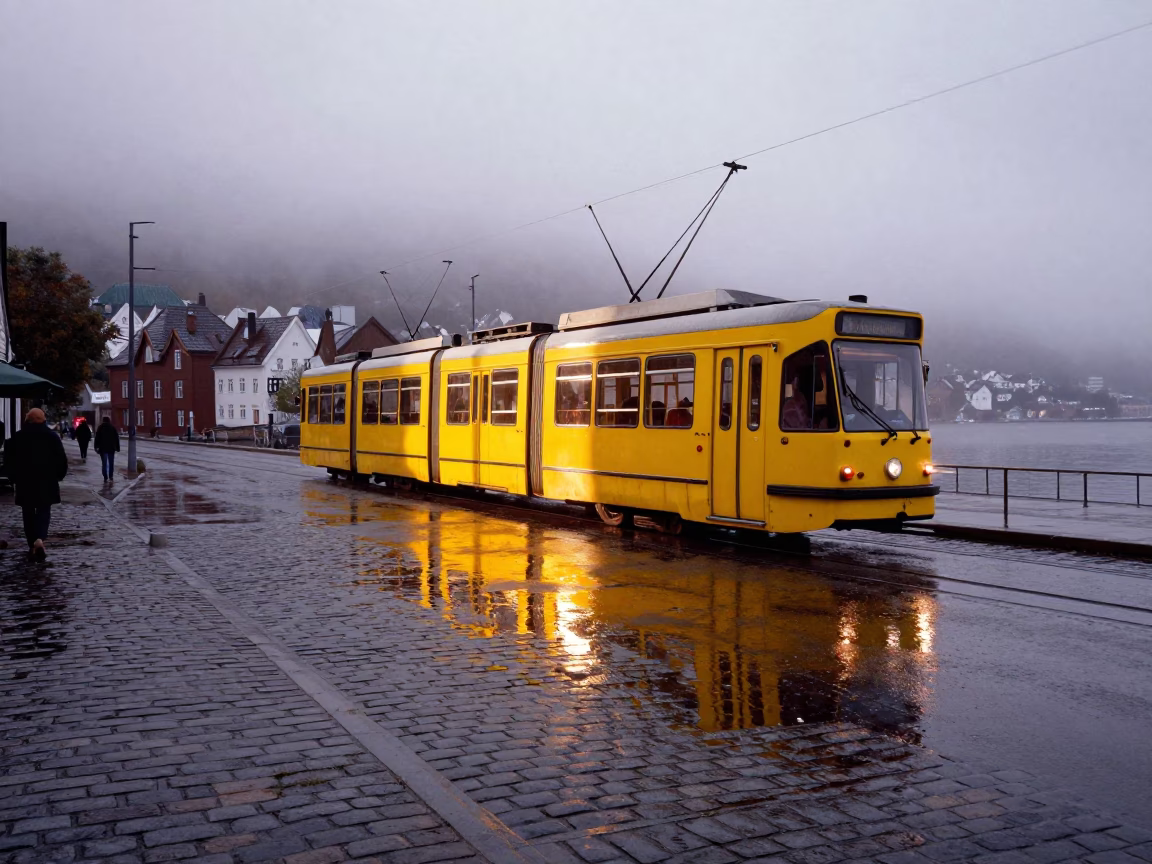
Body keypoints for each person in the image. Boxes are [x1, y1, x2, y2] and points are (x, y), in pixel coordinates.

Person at [7, 408, 68, 562]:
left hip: (24, 481)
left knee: (27, 511)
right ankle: (39, 538)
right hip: (46, 480)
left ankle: (31, 541)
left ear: (28, 419)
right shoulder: (52, 437)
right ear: (43, 419)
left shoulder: (18, 437)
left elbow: (10, 460)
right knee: (44, 509)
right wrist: (59, 476)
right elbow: (61, 459)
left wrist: (12, 477)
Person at [94, 417, 120, 482]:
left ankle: (105, 476)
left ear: (103, 421)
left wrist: (96, 447)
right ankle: (111, 476)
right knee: (111, 463)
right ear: (109, 421)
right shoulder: (112, 428)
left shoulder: (100, 428)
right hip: (111, 448)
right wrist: (117, 447)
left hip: (103, 449)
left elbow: (97, 438)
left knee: (104, 463)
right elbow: (116, 438)